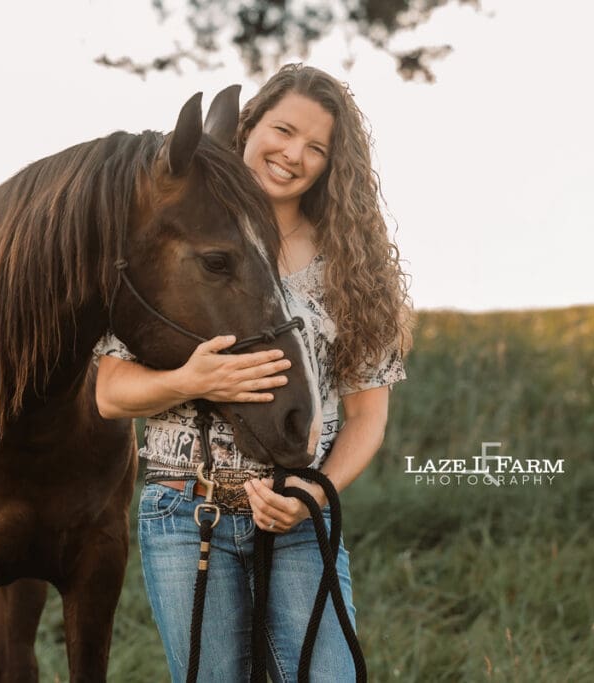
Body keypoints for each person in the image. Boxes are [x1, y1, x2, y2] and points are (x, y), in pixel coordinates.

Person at [94, 63, 411, 682]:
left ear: (332, 165)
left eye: (317, 147)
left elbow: (368, 417)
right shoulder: (178, 235)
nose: (294, 154)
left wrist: (315, 493)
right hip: (188, 513)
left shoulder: (351, 266)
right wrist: (192, 382)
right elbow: (109, 391)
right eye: (283, 129)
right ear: (250, 126)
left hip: (294, 514)